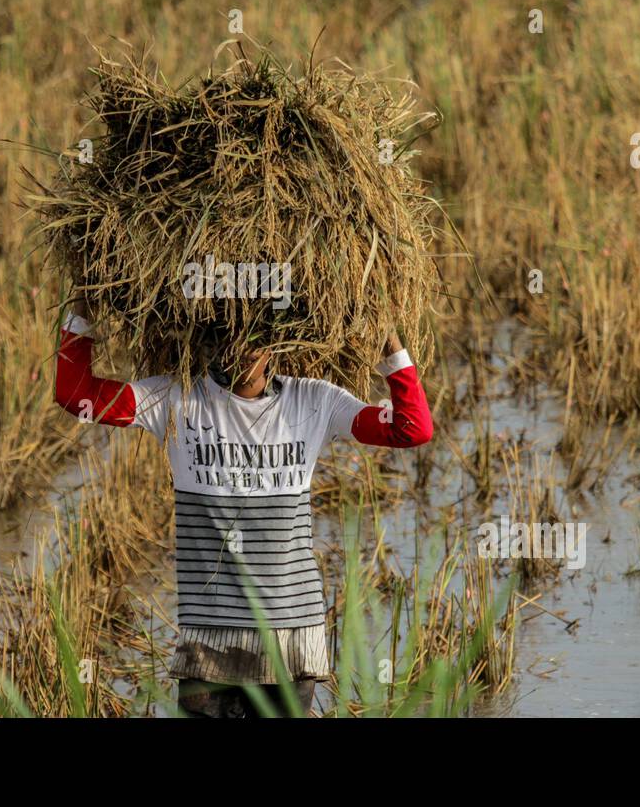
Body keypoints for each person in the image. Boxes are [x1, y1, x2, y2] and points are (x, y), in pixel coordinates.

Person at [54, 297, 433, 717]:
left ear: (272, 346)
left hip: (290, 642)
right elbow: (76, 394)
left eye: (250, 343)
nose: (236, 353)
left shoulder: (314, 402)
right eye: (222, 340)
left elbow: (412, 428)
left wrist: (388, 343)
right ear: (206, 344)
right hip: (210, 641)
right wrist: (84, 311)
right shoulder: (176, 400)